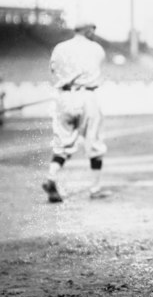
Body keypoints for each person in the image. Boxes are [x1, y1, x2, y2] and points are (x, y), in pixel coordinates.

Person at [42, 18, 109, 203]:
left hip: (63, 97)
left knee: (63, 143)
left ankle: (51, 177)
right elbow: (95, 67)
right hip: (87, 96)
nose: (94, 33)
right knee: (94, 141)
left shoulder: (59, 47)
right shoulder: (96, 48)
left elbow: (53, 70)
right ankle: (95, 188)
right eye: (92, 30)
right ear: (87, 31)